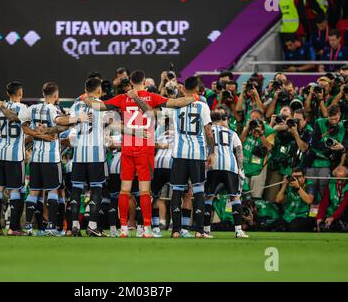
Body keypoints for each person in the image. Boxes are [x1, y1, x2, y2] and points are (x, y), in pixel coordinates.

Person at [82, 70, 196, 237]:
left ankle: (123, 229)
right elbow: (176, 103)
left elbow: (100, 106)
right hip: (146, 148)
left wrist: (85, 97)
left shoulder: (122, 98)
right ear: (144, 82)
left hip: (128, 147)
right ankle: (147, 228)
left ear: (131, 81)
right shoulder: (152, 96)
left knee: (124, 190)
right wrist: (195, 98)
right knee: (144, 191)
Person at [57, 78, 110, 237]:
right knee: (96, 190)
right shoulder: (101, 106)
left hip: (79, 155)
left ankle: (74, 226)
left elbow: (60, 120)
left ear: (85, 89)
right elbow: (110, 123)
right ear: (99, 90)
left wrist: (77, 119)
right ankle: (92, 226)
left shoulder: (77, 105)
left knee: (76, 190)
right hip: (96, 155)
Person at [169, 76, 214, 238]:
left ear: (183, 88)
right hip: (197, 154)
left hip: (179, 154)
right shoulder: (202, 106)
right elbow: (208, 132)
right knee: (198, 190)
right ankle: (199, 230)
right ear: (197, 90)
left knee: (177, 190)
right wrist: (213, 152)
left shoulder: (175, 106)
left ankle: (175, 230)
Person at [20, 82, 67, 236]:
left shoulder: (32, 109)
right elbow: (61, 126)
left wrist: (36, 135)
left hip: (35, 158)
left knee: (34, 192)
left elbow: (24, 126)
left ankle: (28, 227)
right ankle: (52, 227)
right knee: (53, 191)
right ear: (55, 95)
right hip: (51, 158)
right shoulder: (54, 110)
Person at [0, 81, 28, 236]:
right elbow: (25, 128)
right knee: (16, 190)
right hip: (15, 155)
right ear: (20, 93)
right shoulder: (23, 109)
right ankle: (13, 228)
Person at [204, 111, 248, 238]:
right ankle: (238, 230)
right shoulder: (231, 132)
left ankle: (206, 230)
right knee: (235, 197)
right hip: (230, 166)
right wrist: (240, 168)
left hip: (213, 166)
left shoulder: (207, 130)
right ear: (222, 120)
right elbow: (239, 149)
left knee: (209, 197)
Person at [265, 108, 313, 202]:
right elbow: (272, 133)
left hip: (298, 170)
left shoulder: (308, 130)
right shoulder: (290, 126)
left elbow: (304, 148)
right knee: (272, 197)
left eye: (299, 120)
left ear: (305, 120)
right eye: (295, 119)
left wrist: (295, 134)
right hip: (283, 166)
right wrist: (279, 126)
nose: (296, 122)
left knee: (287, 199)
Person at [307, 105, 347, 200]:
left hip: (334, 164)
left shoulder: (344, 125)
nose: (334, 121)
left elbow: (346, 144)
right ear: (327, 116)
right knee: (314, 192)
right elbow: (313, 143)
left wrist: (343, 147)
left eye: (336, 119)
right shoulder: (319, 123)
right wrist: (328, 145)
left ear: (340, 115)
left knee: (325, 192)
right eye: (331, 119)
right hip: (315, 161)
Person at [240, 109, 275, 199]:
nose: (254, 121)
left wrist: (261, 134)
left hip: (259, 169)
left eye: (257, 119)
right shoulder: (247, 127)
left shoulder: (269, 131)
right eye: (252, 119)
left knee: (255, 197)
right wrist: (247, 129)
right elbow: (239, 143)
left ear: (262, 119)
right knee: (242, 196)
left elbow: (269, 148)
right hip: (244, 167)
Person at [275, 167, 316, 232]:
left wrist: (298, 187)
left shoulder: (310, 185)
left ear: (304, 177)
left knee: (293, 227)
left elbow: (309, 201)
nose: (296, 179)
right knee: (277, 226)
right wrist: (284, 185)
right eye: (294, 177)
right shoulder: (289, 185)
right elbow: (278, 200)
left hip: (304, 215)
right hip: (288, 215)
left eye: (299, 177)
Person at [316, 165, 348, 231]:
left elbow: (343, 205)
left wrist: (332, 218)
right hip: (332, 213)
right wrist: (319, 218)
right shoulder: (330, 184)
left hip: (345, 214)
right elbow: (324, 203)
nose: (339, 182)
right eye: (338, 179)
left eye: (342, 180)